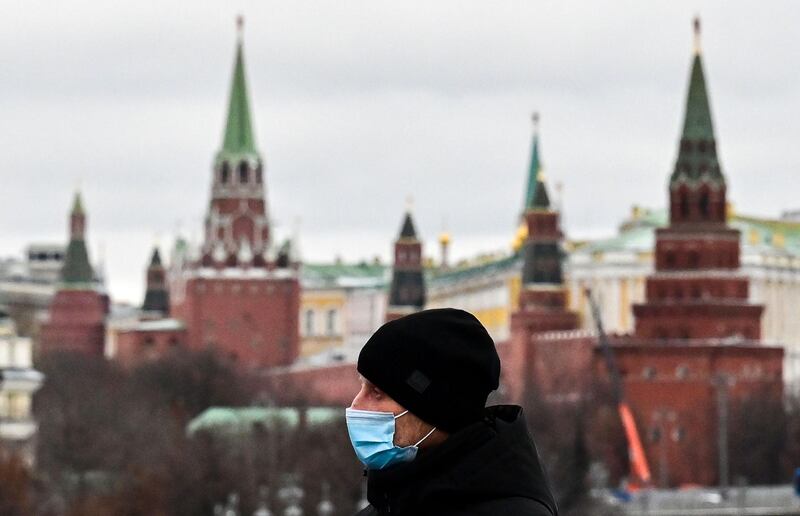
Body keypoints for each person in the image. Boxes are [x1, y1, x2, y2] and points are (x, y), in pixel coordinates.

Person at [347, 308, 557, 515]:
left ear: (436, 407)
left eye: (377, 392)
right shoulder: (388, 503)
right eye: (362, 387)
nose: (356, 404)